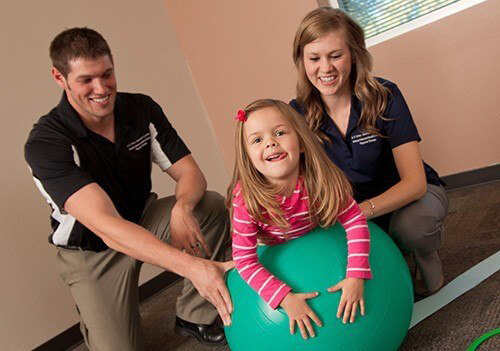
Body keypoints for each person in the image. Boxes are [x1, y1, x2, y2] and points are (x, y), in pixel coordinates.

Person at [24, 27, 233, 350]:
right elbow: (106, 227)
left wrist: (182, 207)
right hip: (92, 251)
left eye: (107, 74)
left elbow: (190, 173)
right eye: (86, 80)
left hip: (143, 217)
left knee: (208, 206)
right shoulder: (46, 144)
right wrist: (193, 267)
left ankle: (196, 315)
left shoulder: (140, 109)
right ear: (59, 77)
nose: (101, 88)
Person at [290, 7, 449, 297]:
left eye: (335, 55)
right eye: (314, 58)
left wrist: (361, 212)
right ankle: (392, 251)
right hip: (350, 212)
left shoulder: (384, 96)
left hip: (409, 200)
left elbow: (415, 183)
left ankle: (424, 258)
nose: (325, 68)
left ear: (354, 54)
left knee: (413, 229)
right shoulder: (297, 114)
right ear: (302, 61)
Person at [226, 99, 372, 340]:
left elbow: (354, 220)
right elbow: (244, 259)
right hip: (270, 248)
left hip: (318, 238)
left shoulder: (320, 180)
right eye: (257, 140)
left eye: (280, 133)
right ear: (248, 157)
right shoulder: (245, 200)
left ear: (301, 143)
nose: (271, 142)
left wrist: (356, 275)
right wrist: (283, 298)